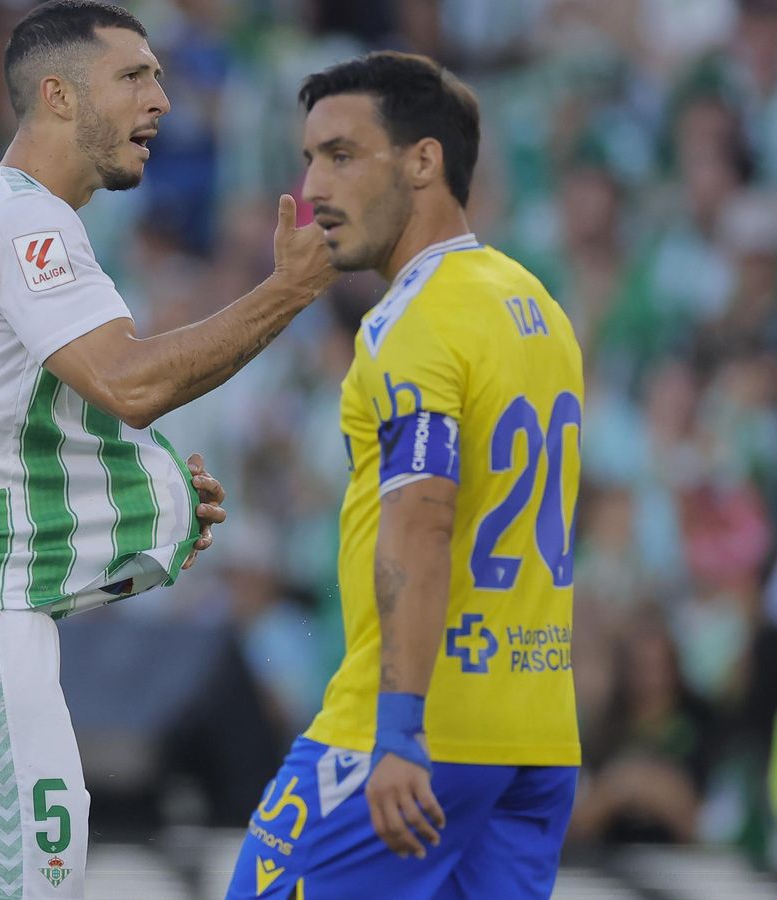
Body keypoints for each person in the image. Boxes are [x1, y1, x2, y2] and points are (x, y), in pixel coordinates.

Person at [0, 2, 335, 897]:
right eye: (133, 77)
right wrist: (288, 291)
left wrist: (143, 497)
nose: (161, 98)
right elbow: (133, 383)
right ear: (58, 95)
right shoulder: (23, 224)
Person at [227, 51, 584, 899]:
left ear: (425, 160)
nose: (312, 187)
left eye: (341, 155)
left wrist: (397, 732)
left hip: (408, 738)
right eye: (309, 157)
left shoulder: (413, 323)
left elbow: (424, 518)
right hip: (534, 740)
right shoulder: (537, 306)